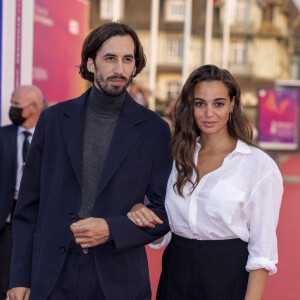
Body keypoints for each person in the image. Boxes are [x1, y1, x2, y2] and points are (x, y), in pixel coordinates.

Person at [9, 22, 172, 300]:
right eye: (110, 58)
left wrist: (112, 228)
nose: (119, 69)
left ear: (135, 66)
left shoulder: (154, 130)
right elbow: (28, 207)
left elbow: (163, 212)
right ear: (91, 63)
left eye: (127, 59)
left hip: (119, 279)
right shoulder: (53, 120)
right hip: (53, 276)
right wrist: (19, 278)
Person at [127, 64, 283, 300]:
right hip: (175, 274)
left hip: (228, 277)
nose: (209, 113)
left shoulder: (258, 166)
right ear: (191, 107)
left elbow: (263, 251)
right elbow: (164, 230)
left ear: (232, 105)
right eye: (200, 104)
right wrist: (141, 213)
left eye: (218, 103)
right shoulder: (177, 157)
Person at [0, 85, 44, 300]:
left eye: (17, 105)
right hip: (7, 214)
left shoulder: (48, 138)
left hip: (38, 213)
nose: (12, 108)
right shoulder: (2, 135)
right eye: (11, 103)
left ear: (34, 108)